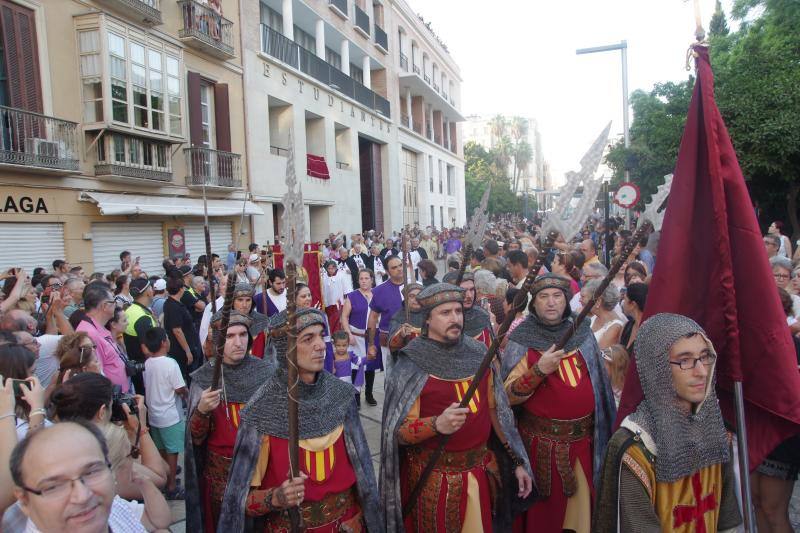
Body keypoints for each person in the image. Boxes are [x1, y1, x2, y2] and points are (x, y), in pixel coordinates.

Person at [380, 283, 534, 531]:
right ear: (427, 319)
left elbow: (497, 414)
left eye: (458, 311)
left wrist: (517, 461)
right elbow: (397, 432)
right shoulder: (410, 363)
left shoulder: (479, 353)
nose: (455, 318)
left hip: (480, 472)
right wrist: (436, 424)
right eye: (445, 313)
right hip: (433, 479)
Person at [218, 308, 382, 532]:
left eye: (320, 335)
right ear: (287, 348)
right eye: (308, 338)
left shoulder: (341, 395)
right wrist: (275, 497)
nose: (321, 345)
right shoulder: (262, 408)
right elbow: (239, 502)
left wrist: (361, 517)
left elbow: (364, 476)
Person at [593, 314, 742, 532]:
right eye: (685, 360)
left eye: (705, 356)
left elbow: (726, 519)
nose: (701, 371)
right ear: (657, 368)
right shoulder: (636, 447)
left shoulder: (715, 430)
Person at [502, 273, 616, 533]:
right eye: (544, 296)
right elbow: (505, 398)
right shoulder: (522, 340)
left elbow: (600, 388)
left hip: (584, 444)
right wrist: (538, 371)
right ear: (534, 303)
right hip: (540, 448)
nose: (551, 303)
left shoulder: (582, 333)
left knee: (583, 517)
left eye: (557, 296)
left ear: (566, 301)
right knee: (547, 521)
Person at [185, 312, 272, 532]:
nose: (238, 342)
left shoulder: (266, 373)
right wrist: (202, 411)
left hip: (261, 473)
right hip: (220, 478)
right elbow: (196, 439)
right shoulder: (203, 379)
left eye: (243, 335)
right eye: (230, 336)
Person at [9, 419, 172, 532]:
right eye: (54, 486)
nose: (83, 496)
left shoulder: (114, 506)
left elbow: (157, 522)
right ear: (24, 500)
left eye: (91, 472)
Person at [48, 372, 168, 501]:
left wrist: (131, 432)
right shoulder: (107, 448)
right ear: (102, 412)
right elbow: (160, 477)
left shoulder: (58, 443)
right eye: (112, 404)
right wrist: (141, 428)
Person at [141, 327, 188, 500]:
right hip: (170, 415)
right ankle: (172, 485)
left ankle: (164, 478)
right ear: (163, 342)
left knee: (161, 449)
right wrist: (187, 393)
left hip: (154, 414)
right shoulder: (170, 363)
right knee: (173, 451)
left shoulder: (148, 363)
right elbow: (179, 388)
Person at [77, 284, 130, 393]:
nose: (116, 305)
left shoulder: (97, 328)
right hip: (111, 396)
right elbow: (96, 371)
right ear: (105, 306)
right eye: (113, 302)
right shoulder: (90, 334)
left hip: (119, 392)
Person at [366, 255, 405, 395]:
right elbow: (372, 318)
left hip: (413, 339)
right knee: (391, 378)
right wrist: (371, 343)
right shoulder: (379, 290)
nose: (399, 269)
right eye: (394, 267)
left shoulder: (416, 286)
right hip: (389, 340)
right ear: (388, 271)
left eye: (400, 265)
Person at [339, 268, 375, 398]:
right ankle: (356, 396)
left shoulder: (376, 295)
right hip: (356, 336)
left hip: (371, 337)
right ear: (358, 280)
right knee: (356, 366)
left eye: (366, 278)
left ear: (372, 280)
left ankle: (369, 394)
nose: (364, 281)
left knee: (370, 366)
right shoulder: (352, 296)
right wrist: (349, 334)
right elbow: (344, 317)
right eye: (361, 279)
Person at [122, 278, 157, 394]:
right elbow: (146, 350)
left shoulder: (130, 309)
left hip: (136, 366)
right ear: (148, 292)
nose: (153, 290)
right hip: (145, 369)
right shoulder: (142, 316)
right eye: (151, 287)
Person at [443, 271, 495, 347]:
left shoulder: (483, 316)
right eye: (463, 291)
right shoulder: (440, 321)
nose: (469, 295)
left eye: (471, 289)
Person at [163, 275, 200, 378]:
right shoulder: (173, 306)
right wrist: (187, 351)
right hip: (181, 351)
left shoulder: (173, 303)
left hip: (189, 345)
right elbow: (177, 330)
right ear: (181, 289)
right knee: (190, 376)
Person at [581, 280, 624, 350]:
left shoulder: (615, 327)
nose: (579, 300)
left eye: (583, 297)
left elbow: (599, 356)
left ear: (598, 301)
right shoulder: (593, 317)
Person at [386, 283, 424, 357]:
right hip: (406, 360)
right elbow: (392, 347)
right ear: (406, 298)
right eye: (412, 296)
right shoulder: (398, 318)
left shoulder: (430, 314)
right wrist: (401, 335)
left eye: (419, 296)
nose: (416, 299)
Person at [331, 330, 365, 407]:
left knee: (348, 403)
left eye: (344, 345)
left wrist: (368, 358)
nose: (341, 348)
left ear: (348, 344)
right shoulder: (333, 356)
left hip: (348, 385)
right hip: (337, 385)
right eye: (338, 345)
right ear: (334, 345)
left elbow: (360, 361)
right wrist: (332, 367)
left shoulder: (350, 355)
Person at [620, 282, 648, 352]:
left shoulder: (649, 331)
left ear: (632, 304)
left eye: (625, 299)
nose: (623, 302)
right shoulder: (627, 326)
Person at [322, 260, 346, 334]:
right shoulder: (324, 277)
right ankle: (331, 333)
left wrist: (344, 299)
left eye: (332, 268)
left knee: (337, 319)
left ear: (335, 268)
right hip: (328, 302)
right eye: (329, 268)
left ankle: (337, 334)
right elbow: (323, 289)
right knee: (330, 319)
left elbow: (345, 288)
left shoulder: (340, 276)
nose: (330, 270)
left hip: (338, 302)